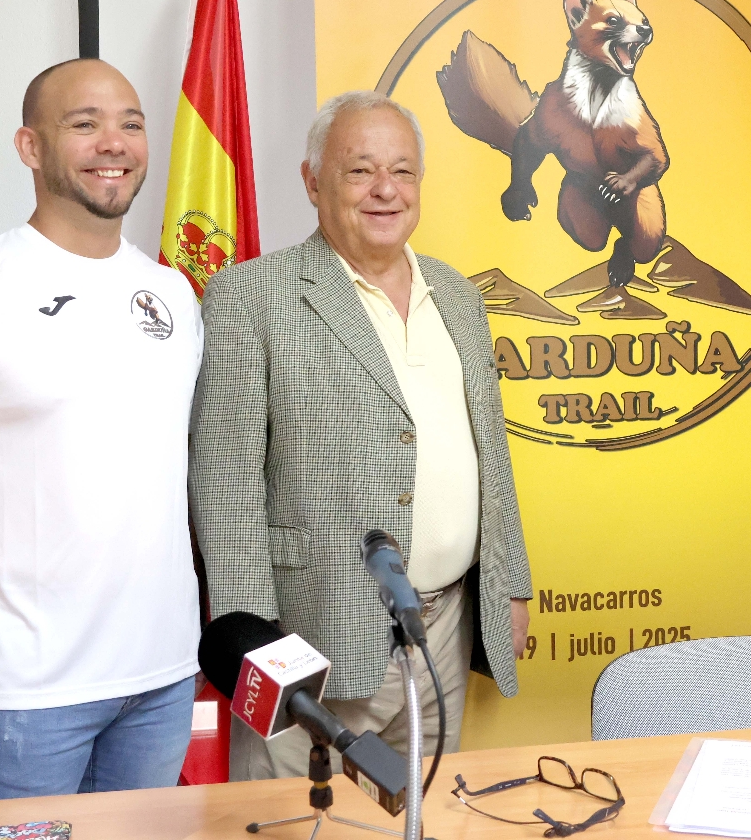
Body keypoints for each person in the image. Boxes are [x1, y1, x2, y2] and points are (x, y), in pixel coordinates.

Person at [190, 90, 533, 779]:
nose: (386, 190)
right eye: (360, 171)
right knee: (296, 826)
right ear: (313, 181)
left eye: (403, 171)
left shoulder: (458, 295)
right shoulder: (249, 297)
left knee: (420, 815)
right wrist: (256, 648)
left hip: (444, 625)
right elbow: (224, 486)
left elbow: (488, 452)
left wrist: (511, 584)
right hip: (312, 638)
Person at [0, 58, 203, 798]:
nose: (113, 142)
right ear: (30, 148)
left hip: (160, 681)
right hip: (23, 699)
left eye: (130, 122)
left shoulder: (172, 295)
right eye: (83, 124)